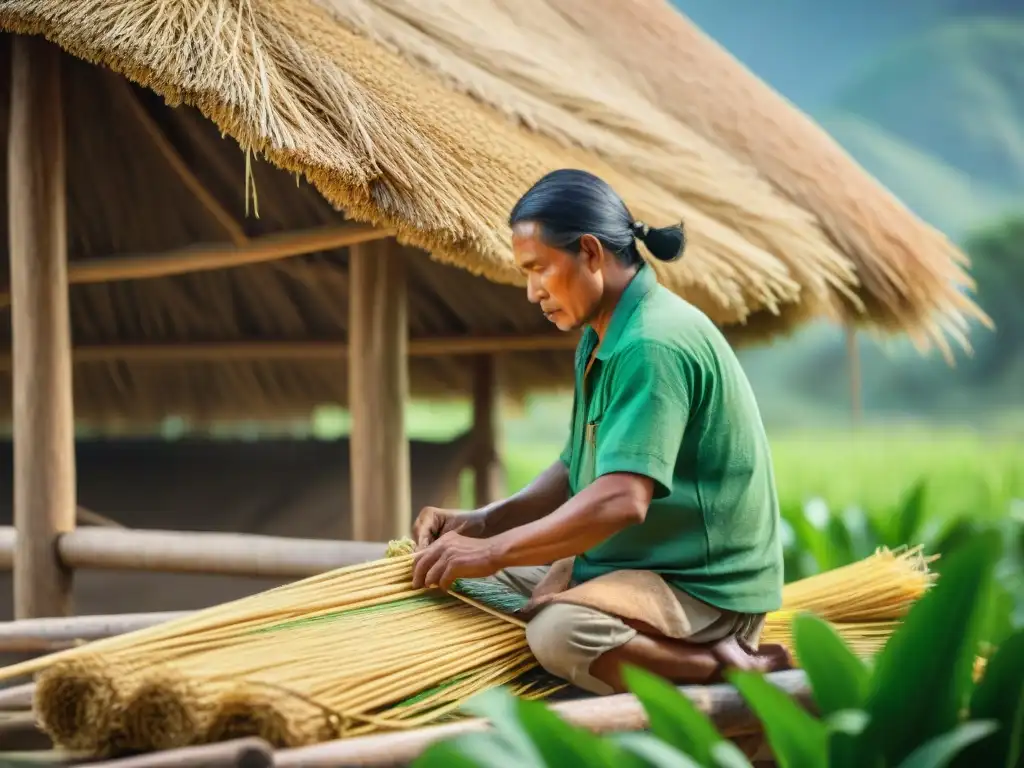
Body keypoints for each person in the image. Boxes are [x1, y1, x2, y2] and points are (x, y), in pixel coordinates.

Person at [411, 168, 790, 695]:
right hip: (626, 569)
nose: (531, 291)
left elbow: (620, 501)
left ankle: (726, 665)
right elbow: (574, 470)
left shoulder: (650, 344)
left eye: (539, 268)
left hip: (700, 592)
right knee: (452, 578)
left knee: (559, 635)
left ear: (590, 252)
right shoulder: (601, 337)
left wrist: (495, 550)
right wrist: (479, 524)